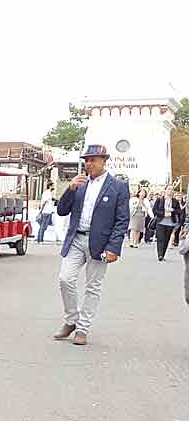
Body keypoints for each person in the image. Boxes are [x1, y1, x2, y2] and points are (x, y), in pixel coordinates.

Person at [52, 144, 130, 346]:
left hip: (101, 244)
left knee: (92, 287)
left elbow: (122, 220)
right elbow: (61, 211)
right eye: (86, 160)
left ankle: (82, 329)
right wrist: (69, 190)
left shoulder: (118, 187)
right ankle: (72, 320)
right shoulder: (79, 184)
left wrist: (114, 248)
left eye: (93, 159)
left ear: (104, 161)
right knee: (65, 279)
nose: (89, 163)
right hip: (76, 240)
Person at [152, 190, 183, 261]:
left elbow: (179, 211)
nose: (170, 191)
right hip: (160, 222)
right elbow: (155, 210)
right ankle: (160, 255)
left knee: (166, 239)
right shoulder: (160, 200)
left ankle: (163, 254)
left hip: (170, 223)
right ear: (165, 191)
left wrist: (173, 210)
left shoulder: (175, 201)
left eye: (172, 189)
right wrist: (163, 214)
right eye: (169, 189)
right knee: (160, 239)